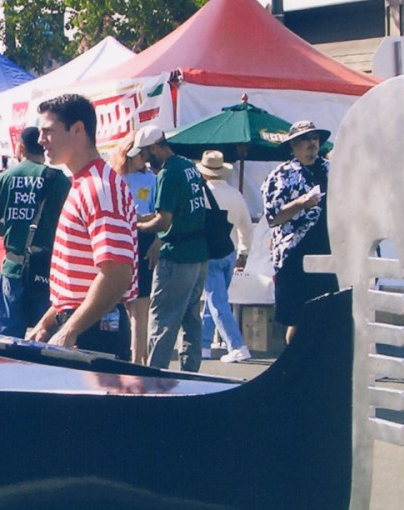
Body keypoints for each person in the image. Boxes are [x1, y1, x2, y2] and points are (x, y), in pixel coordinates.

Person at [27, 94, 137, 358]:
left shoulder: (99, 189)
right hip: (86, 325)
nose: (40, 140)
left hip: (94, 331)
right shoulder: (86, 183)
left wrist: (70, 330)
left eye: (48, 131)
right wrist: (49, 321)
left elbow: (117, 274)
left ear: (77, 130)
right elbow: (83, 279)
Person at [134, 125, 208, 372]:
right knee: (191, 319)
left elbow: (163, 221)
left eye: (143, 153)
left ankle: (154, 376)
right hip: (199, 253)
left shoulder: (167, 174)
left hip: (177, 256)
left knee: (163, 319)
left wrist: (136, 227)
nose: (143, 160)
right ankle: (191, 373)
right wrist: (144, 218)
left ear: (154, 147)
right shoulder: (188, 166)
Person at [261, 120, 339, 344]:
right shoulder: (280, 175)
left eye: (314, 138)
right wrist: (301, 203)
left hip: (328, 251)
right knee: (298, 318)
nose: (312, 143)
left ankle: (319, 369)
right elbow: (273, 217)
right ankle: (295, 367)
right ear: (293, 145)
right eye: (305, 139)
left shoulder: (331, 170)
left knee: (326, 314)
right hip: (296, 254)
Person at [0, 126, 70, 338]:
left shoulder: (5, 178)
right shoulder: (59, 180)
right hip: (46, 267)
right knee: (45, 334)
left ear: (21, 147)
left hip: (12, 266)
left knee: (9, 338)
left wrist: (14, 228)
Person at [196, 151, 254, 362]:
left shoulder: (199, 194)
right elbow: (246, 227)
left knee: (215, 301)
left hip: (208, 253)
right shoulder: (235, 194)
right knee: (216, 301)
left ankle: (237, 345)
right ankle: (203, 344)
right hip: (230, 252)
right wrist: (244, 252)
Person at [115, 139, 158, 365]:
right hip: (119, 241)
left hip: (143, 240)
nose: (144, 158)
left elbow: (160, 214)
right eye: (139, 154)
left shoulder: (152, 179)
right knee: (121, 305)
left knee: (140, 308)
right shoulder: (115, 178)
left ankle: (138, 360)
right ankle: (128, 355)